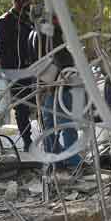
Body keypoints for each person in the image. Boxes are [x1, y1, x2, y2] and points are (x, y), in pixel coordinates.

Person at [29, 14, 81, 168]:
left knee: (49, 124)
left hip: (42, 85)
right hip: (58, 84)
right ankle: (72, 160)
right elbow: (60, 57)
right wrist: (69, 71)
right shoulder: (53, 32)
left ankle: (54, 159)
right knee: (67, 123)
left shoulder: (33, 32)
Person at [0, 0, 38, 152]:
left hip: (34, 69)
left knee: (41, 104)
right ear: (19, 0)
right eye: (27, 1)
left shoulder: (30, 21)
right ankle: (27, 141)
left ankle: (49, 139)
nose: (30, 5)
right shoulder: (4, 21)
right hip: (16, 72)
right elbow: (0, 50)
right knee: (21, 107)